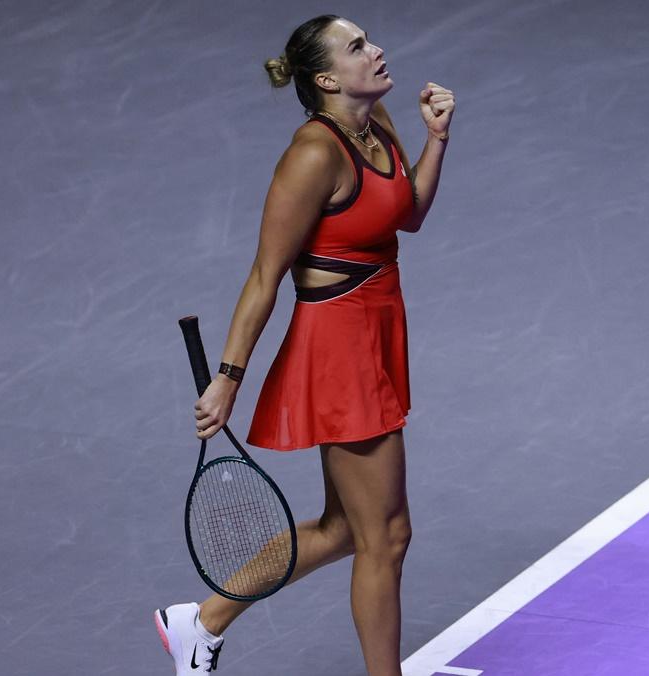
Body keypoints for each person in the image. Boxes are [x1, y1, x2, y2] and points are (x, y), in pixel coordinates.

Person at [153, 14, 454, 675]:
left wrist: (436, 140)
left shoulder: (378, 124)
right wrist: (228, 377)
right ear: (325, 77)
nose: (376, 51)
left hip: (376, 334)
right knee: (387, 536)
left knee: (348, 528)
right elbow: (266, 275)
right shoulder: (313, 156)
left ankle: (200, 622)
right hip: (339, 351)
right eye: (357, 48)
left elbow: (410, 214)